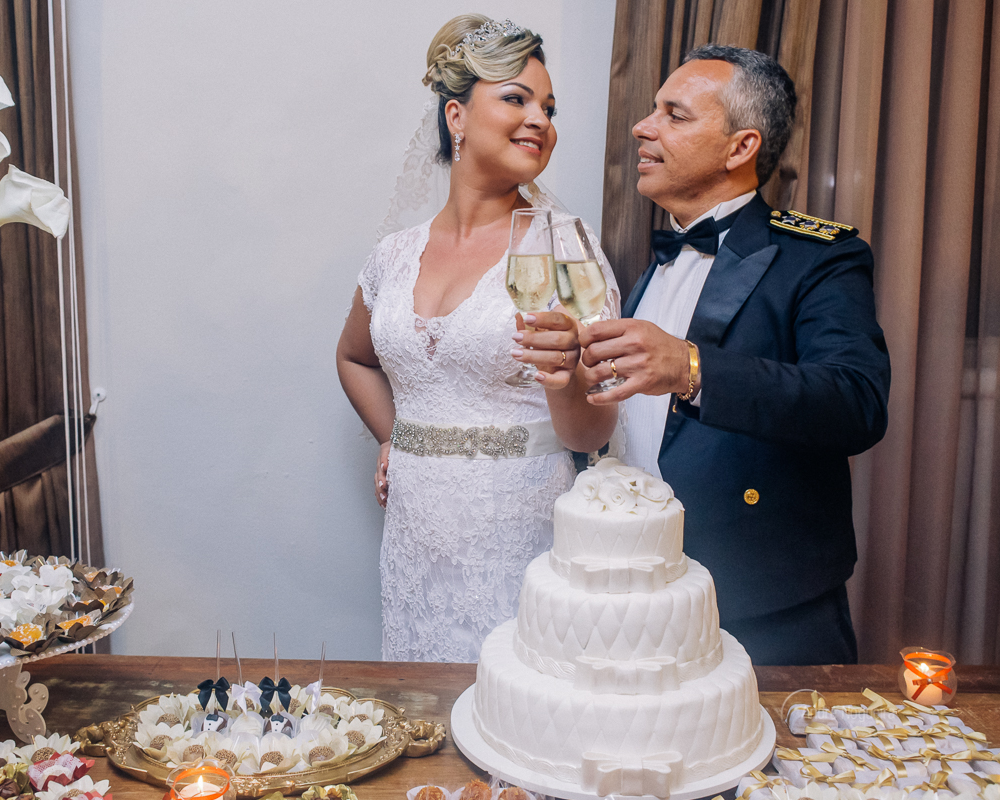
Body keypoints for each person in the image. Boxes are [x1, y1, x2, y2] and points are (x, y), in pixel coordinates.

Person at [572, 45, 890, 665]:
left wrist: (692, 368)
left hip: (762, 602)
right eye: (651, 111)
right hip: (635, 585)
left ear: (740, 147)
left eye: (675, 115)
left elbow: (858, 401)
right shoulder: (658, 258)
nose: (643, 126)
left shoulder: (820, 257)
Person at [336, 15, 618, 662]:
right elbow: (354, 357)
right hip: (412, 543)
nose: (540, 120)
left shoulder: (563, 246)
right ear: (456, 116)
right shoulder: (394, 257)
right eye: (516, 98)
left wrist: (568, 377)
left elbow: (593, 433)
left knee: (514, 726)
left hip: (518, 539)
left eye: (548, 107)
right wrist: (392, 436)